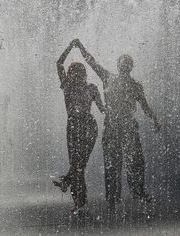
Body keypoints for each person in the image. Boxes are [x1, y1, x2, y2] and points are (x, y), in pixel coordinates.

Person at [74, 39, 161, 212]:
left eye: (128, 63)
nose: (125, 65)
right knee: (112, 163)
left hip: (128, 126)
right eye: (123, 62)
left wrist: (155, 119)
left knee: (136, 161)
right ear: (118, 65)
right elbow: (92, 62)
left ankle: (137, 191)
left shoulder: (136, 86)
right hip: (113, 127)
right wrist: (81, 47)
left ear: (131, 67)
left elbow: (144, 106)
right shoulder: (107, 77)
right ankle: (113, 199)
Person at [53, 40, 106, 214]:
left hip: (88, 126)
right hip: (74, 126)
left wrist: (111, 108)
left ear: (83, 74)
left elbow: (102, 108)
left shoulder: (91, 88)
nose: (75, 74)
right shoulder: (67, 86)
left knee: (78, 164)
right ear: (69, 74)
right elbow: (59, 63)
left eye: (78, 72)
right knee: (77, 166)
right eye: (72, 72)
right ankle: (78, 201)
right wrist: (72, 46)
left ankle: (72, 190)